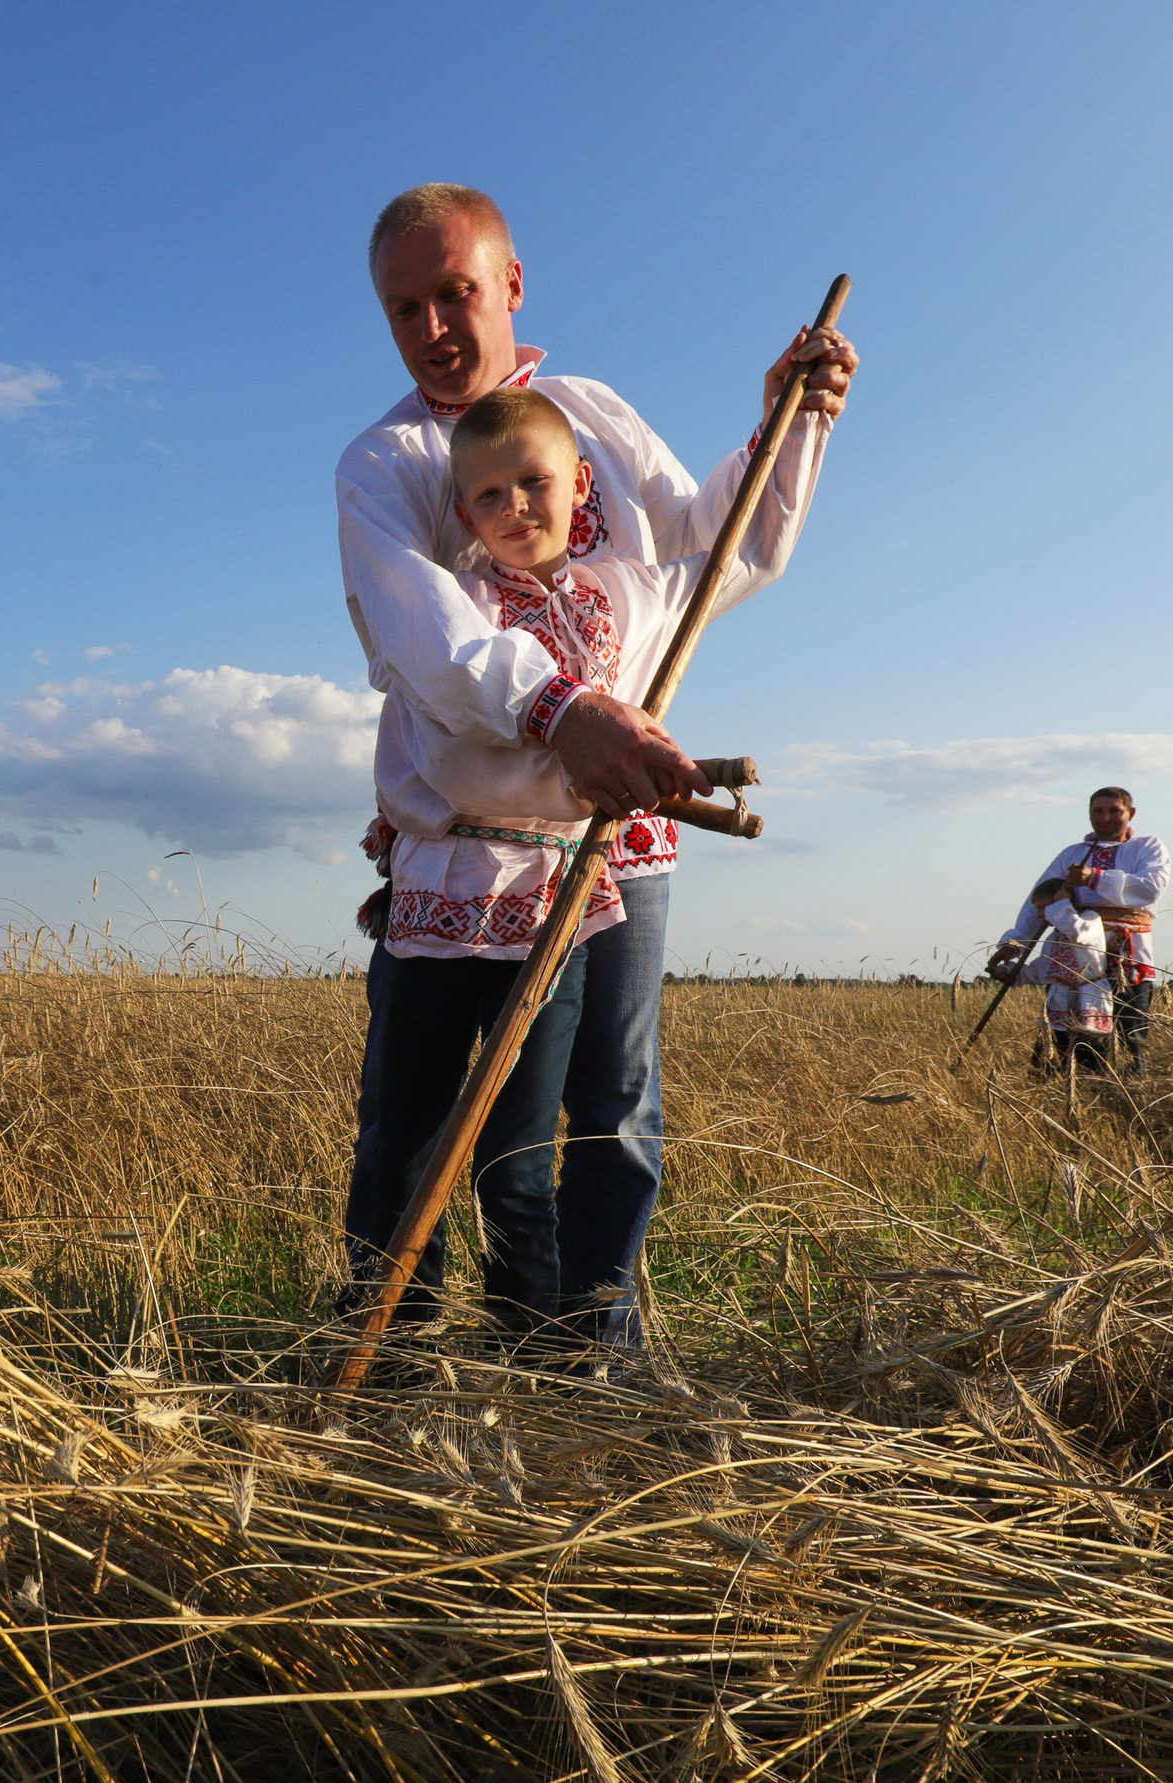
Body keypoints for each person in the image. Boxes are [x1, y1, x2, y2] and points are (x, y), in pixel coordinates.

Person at [338, 183, 857, 1341]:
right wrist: (565, 709)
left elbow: (707, 553)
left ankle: (587, 1358)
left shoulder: (588, 416)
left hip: (626, 825)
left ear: (509, 285)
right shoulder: (386, 466)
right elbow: (432, 642)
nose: (433, 325)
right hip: (466, 847)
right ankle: (392, 1342)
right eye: (404, 307)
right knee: (414, 1119)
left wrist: (787, 427)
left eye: (454, 292)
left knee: (612, 1107)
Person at [987, 787, 1171, 1075]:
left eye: (1114, 811)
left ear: (1130, 813)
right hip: (1070, 954)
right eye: (1098, 812)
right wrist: (1016, 944)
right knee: (1063, 1035)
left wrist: (1094, 877)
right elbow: (1040, 899)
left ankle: (1126, 1101)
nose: (1106, 818)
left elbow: (1150, 888)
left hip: (1127, 956)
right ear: (1089, 815)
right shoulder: (1073, 854)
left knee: (1127, 1035)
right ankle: (1058, 1095)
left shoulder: (1147, 848)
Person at [1002, 877, 1113, 1073]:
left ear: (1062, 901)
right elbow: (1041, 970)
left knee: (1090, 1058)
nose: (1039, 914)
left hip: (1089, 1000)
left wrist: (1061, 904)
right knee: (1046, 1059)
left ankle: (1094, 1091)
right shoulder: (1054, 937)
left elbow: (1078, 932)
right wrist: (1011, 973)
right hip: (1060, 1001)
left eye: (1043, 907)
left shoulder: (1090, 920)